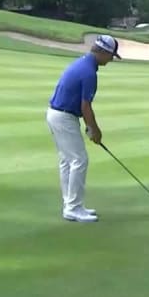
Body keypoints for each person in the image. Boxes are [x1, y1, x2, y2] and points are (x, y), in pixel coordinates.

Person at [46, 34, 121, 222]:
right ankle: (73, 208)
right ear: (102, 52)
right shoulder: (89, 73)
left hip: (57, 114)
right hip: (63, 117)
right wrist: (94, 130)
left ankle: (71, 204)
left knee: (67, 160)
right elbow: (85, 106)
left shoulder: (83, 63)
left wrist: (89, 128)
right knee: (79, 160)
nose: (111, 59)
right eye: (111, 55)